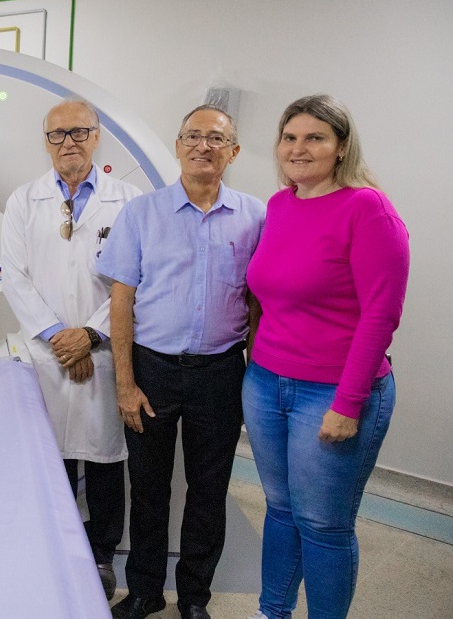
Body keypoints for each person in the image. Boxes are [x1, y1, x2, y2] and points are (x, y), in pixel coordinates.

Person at [243, 95, 409, 619]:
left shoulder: (367, 209)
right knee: (280, 510)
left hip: (334, 391)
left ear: (341, 146)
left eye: (315, 137)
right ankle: (273, 612)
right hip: (266, 382)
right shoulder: (280, 204)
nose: (299, 148)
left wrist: (348, 402)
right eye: (289, 137)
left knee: (323, 524)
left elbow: (381, 315)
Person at [97, 106, 265, 619]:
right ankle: (145, 592)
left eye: (215, 138)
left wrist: (254, 373)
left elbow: (258, 303)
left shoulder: (256, 216)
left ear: (233, 151)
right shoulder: (141, 214)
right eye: (192, 136)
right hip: (153, 369)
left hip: (220, 372)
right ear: (177, 146)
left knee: (209, 492)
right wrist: (125, 383)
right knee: (148, 489)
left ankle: (194, 598)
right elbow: (121, 304)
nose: (202, 146)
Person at [1, 97, 141, 600]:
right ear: (46, 142)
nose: (68, 143)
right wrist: (60, 336)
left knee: (104, 461)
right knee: (50, 460)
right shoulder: (24, 200)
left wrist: (90, 335)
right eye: (57, 134)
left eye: (79, 132)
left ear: (96, 137)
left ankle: (101, 557)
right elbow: (14, 277)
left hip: (104, 351)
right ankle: (52, 547)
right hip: (48, 355)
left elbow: (134, 278)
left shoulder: (129, 201)